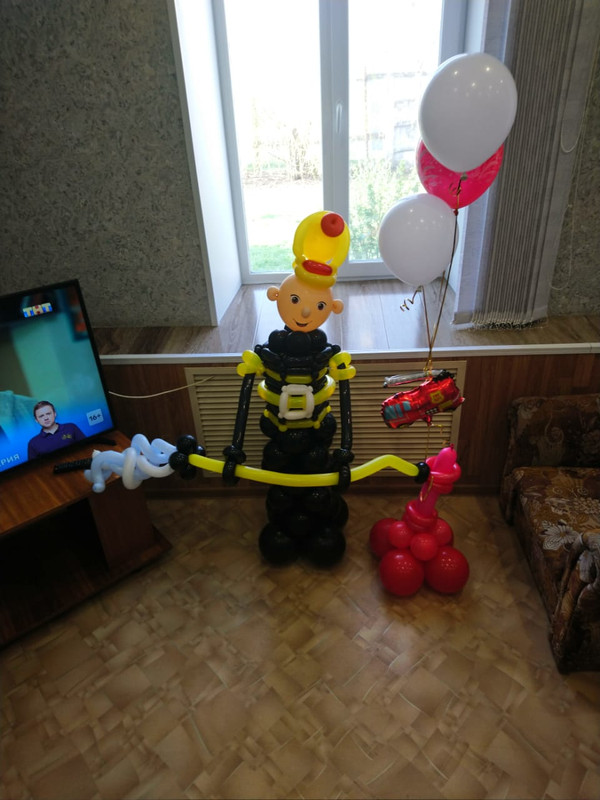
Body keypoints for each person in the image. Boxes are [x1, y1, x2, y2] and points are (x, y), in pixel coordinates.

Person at [222, 211, 356, 568]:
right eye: (295, 300)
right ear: (277, 296)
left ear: (332, 308)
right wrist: (235, 448)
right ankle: (286, 526)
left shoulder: (329, 355)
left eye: (319, 305)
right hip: (279, 440)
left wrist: (345, 451)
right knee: (282, 485)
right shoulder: (267, 354)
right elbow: (246, 392)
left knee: (315, 481)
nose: (306, 312)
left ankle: (320, 520)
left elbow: (344, 397)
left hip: (317, 438)